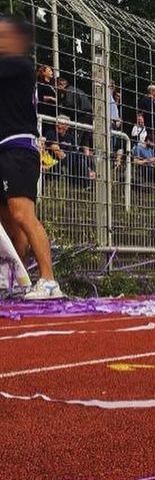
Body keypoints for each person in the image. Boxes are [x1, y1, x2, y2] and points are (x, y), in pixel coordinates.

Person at [0, 15, 62, 299]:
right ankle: (19, 278)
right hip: (4, 148)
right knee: (8, 220)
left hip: (19, 147)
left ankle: (48, 279)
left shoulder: (18, 64)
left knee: (22, 214)